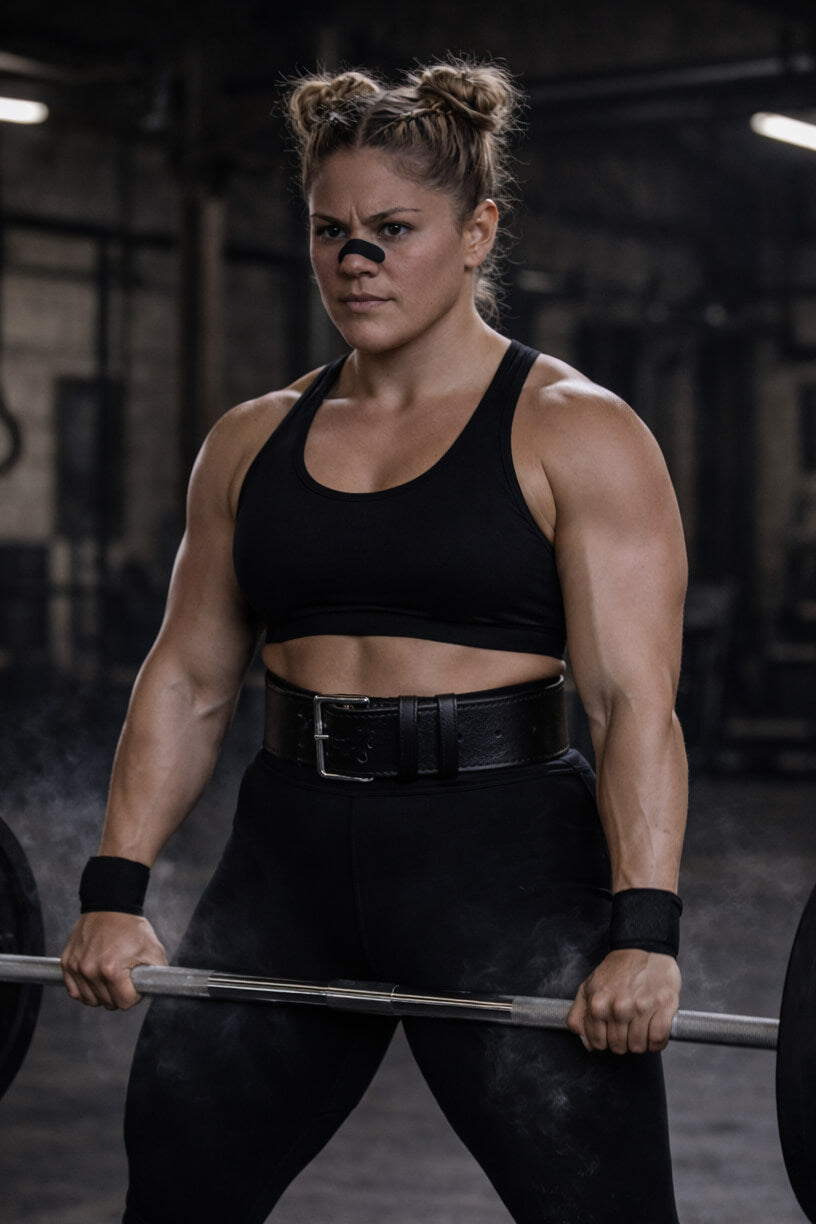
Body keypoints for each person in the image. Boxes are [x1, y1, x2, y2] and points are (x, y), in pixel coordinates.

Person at [60, 56, 687, 1224]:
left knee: (602, 1208)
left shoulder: (578, 432)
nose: (357, 262)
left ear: (476, 229)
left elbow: (629, 704)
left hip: (501, 863)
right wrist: (114, 886)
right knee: (180, 1185)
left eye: (393, 229)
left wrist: (645, 928)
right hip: (288, 853)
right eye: (330, 231)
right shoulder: (251, 440)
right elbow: (191, 681)